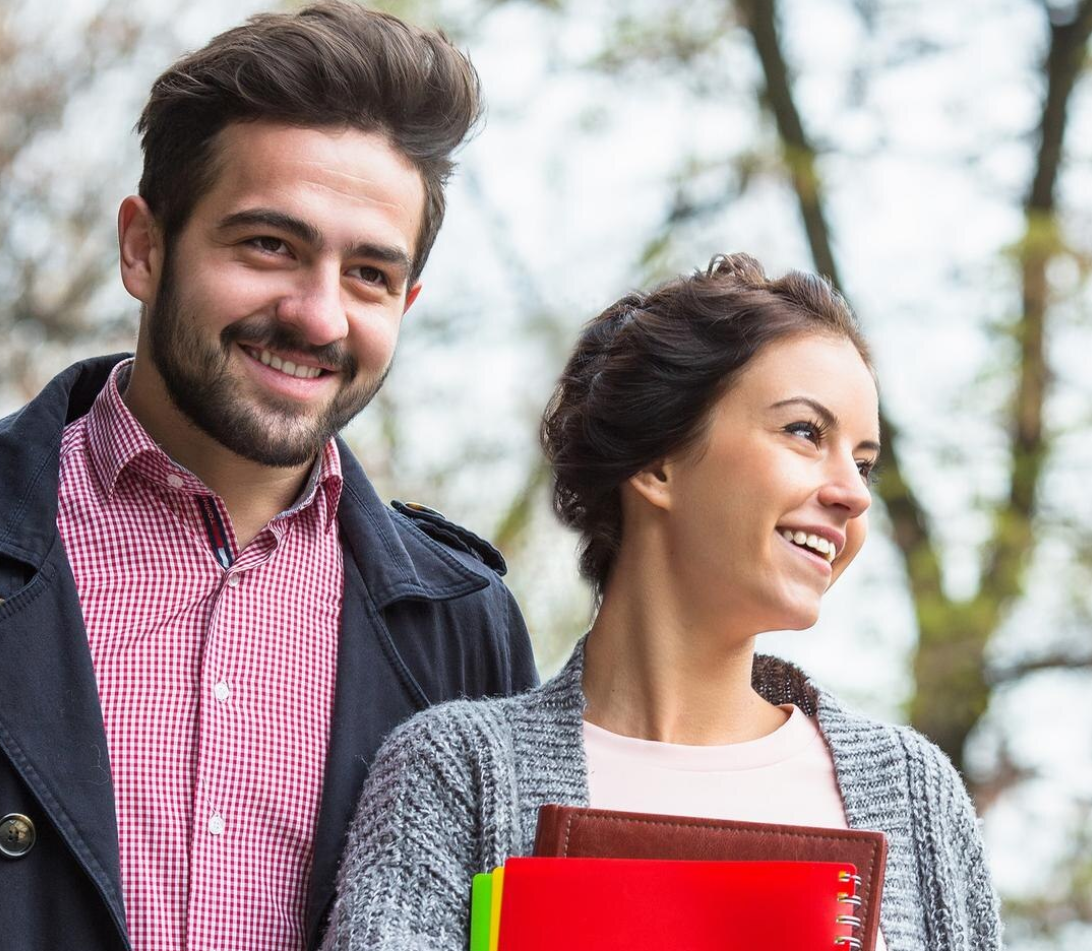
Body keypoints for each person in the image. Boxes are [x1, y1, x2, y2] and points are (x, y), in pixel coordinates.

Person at [0, 0, 537, 951]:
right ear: (144, 245)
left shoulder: (465, 629)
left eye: (370, 274)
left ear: (408, 300)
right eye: (269, 246)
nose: (318, 316)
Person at [321, 254, 1003, 951]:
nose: (853, 494)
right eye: (805, 433)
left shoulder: (916, 794)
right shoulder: (455, 772)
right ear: (656, 462)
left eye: (863, 463)